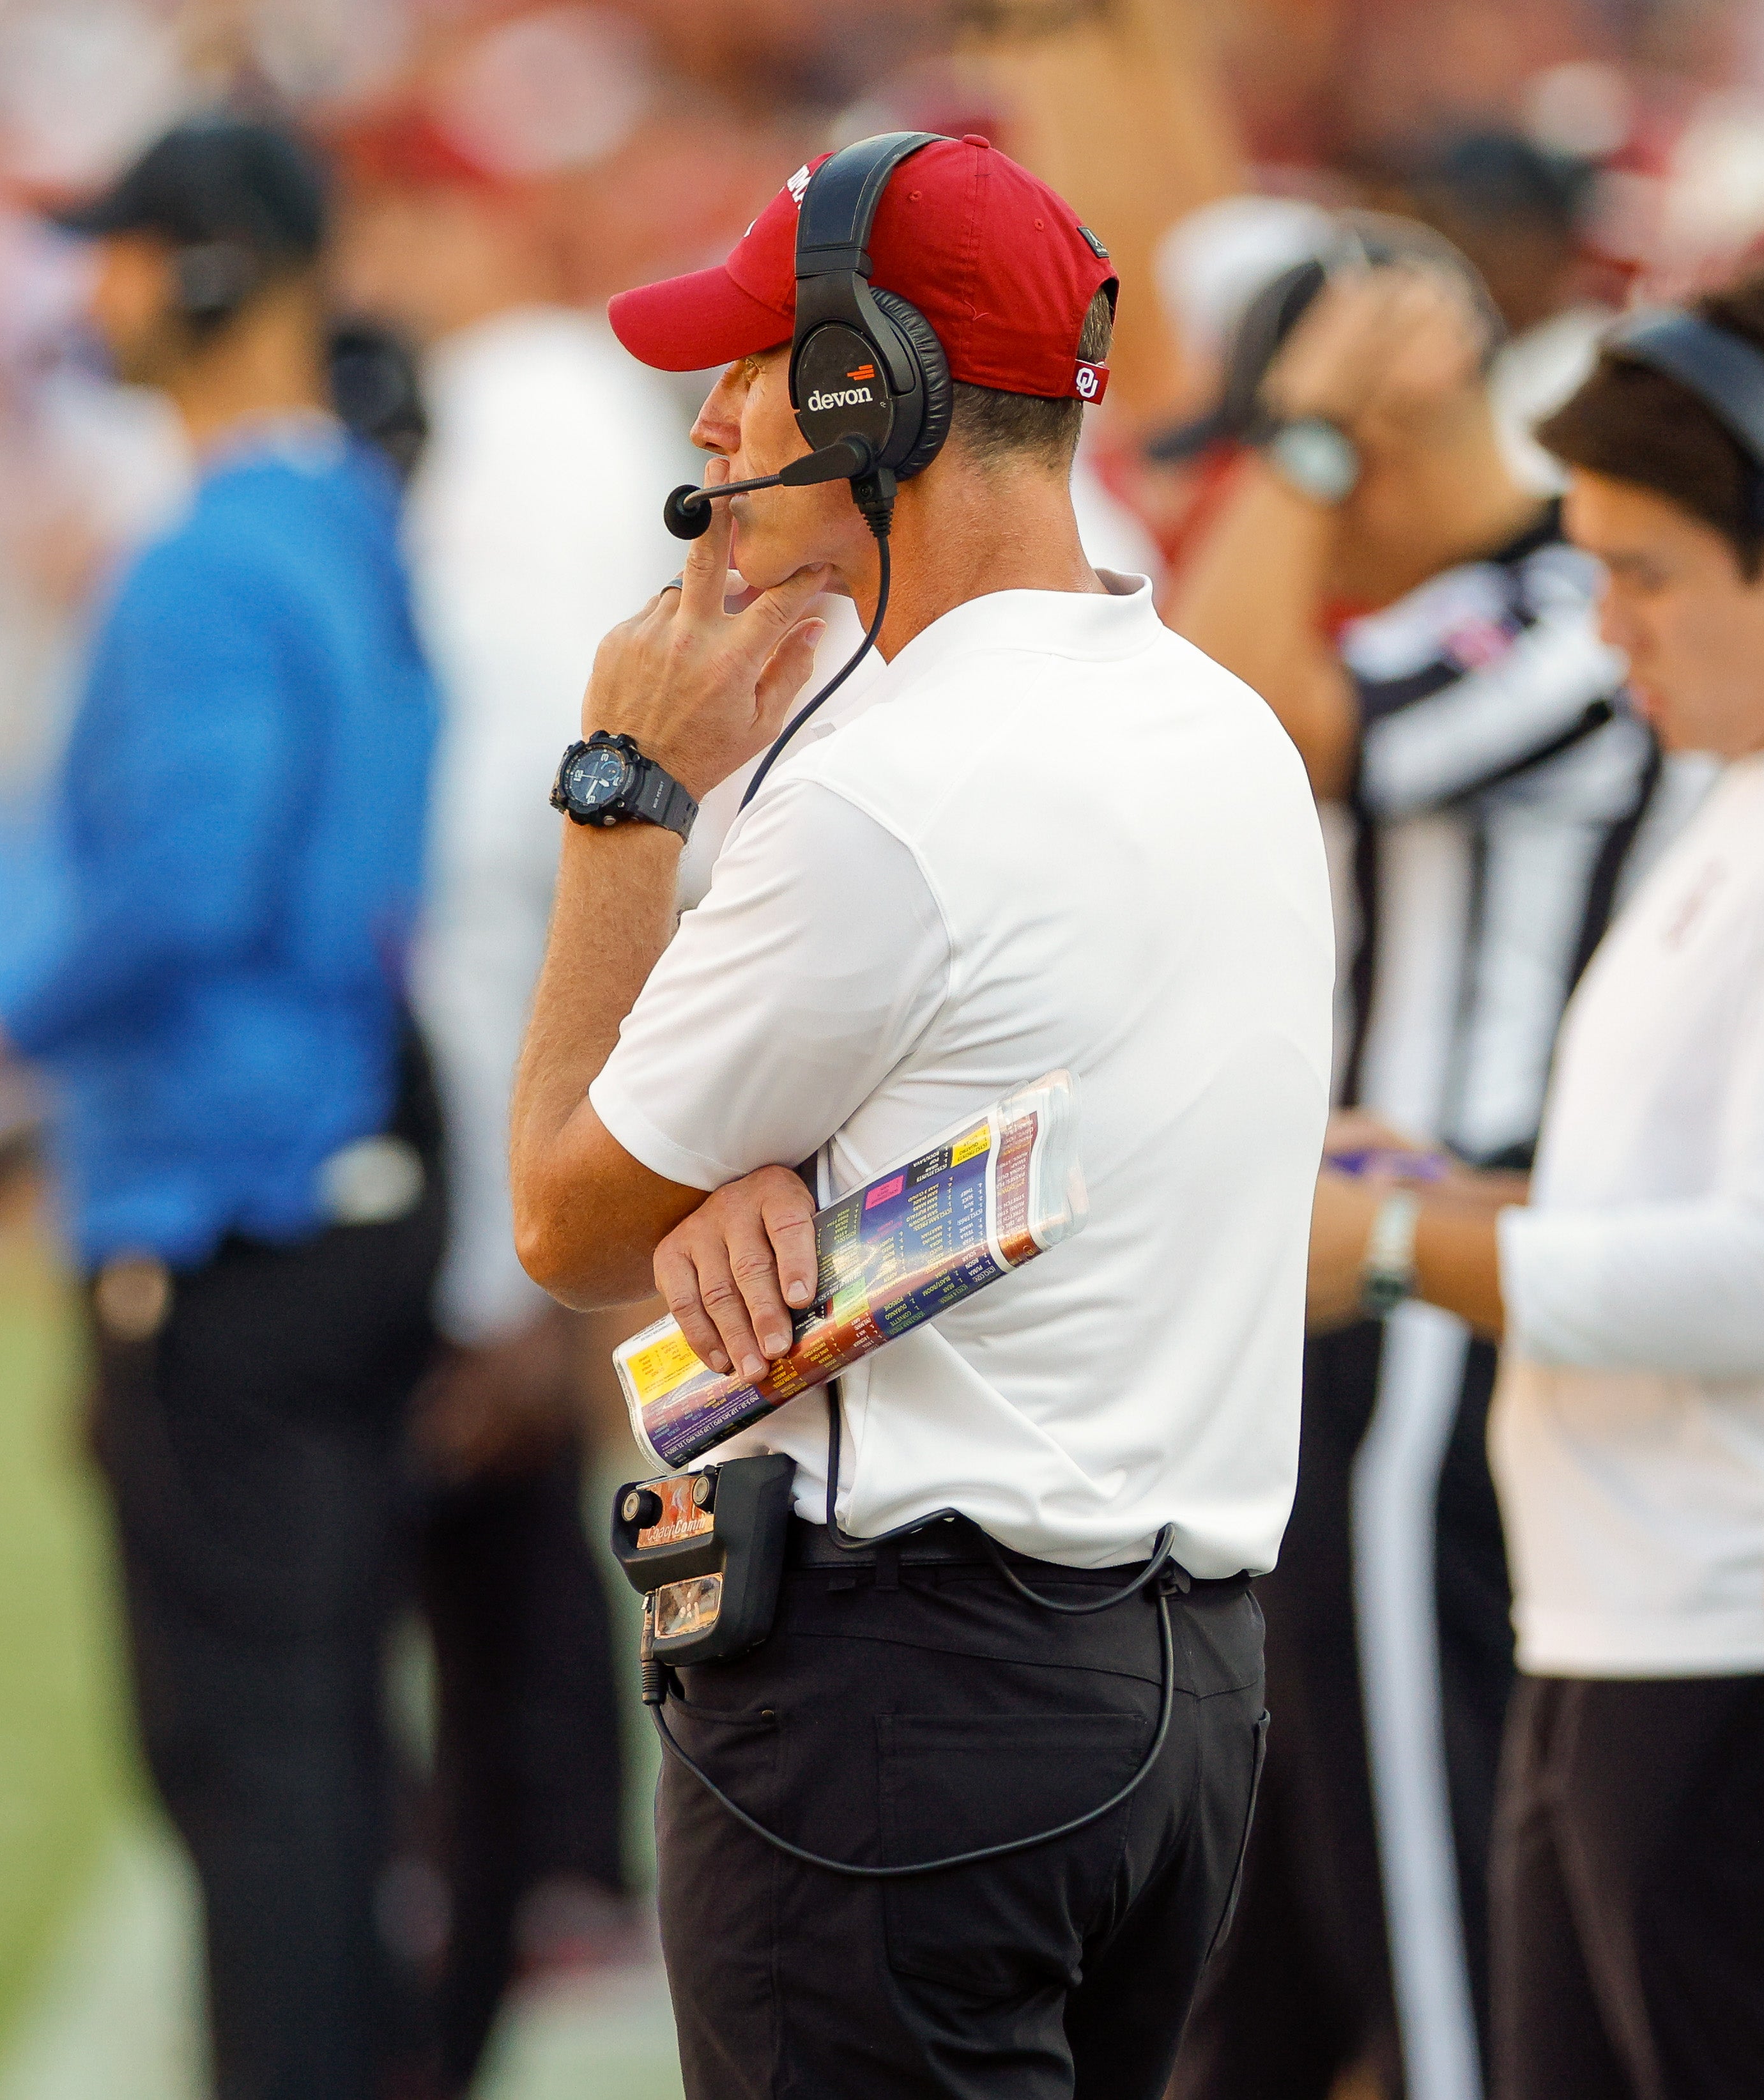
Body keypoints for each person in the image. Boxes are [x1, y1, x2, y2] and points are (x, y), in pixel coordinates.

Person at [507, 132, 1334, 2099]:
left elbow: (563, 1215)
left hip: (914, 1702)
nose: (707, 414)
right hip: (1184, 1701)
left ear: (874, 387)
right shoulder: (1222, 726)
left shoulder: (896, 793)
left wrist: (621, 793)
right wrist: (762, 1158)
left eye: (752, 363)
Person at [1301, 263, 1764, 2100]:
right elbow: (1680, 1190)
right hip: (1627, 1624)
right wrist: (1452, 1197)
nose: (1603, 626)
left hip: (1741, 1654)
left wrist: (1394, 1250)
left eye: (1643, 577)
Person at [0, 114, 442, 2100]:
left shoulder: (213, 560)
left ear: (213, 268)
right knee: (315, 1754)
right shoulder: (342, 513)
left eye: (119, 251)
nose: (89, 295)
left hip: (237, 1208)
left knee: (249, 1771)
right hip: (345, 1157)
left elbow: (194, 883)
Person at [1162, 222, 1679, 2100]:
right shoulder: (1465, 605)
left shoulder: (1568, 611)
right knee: (1261, 1924)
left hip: (1452, 1289)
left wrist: (1303, 441)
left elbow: (1219, 724)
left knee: (1436, 1905)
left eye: (1305, 459)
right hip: (1355, 1279)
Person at [333, 110, 680, 2093]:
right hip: (548, 1039)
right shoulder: (540, 407)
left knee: (448, 1544)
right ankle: (556, 1863)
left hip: (527, 1052)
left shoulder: (520, 415)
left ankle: (535, 1879)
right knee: (502, 1540)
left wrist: (506, 1258)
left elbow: (516, 860)